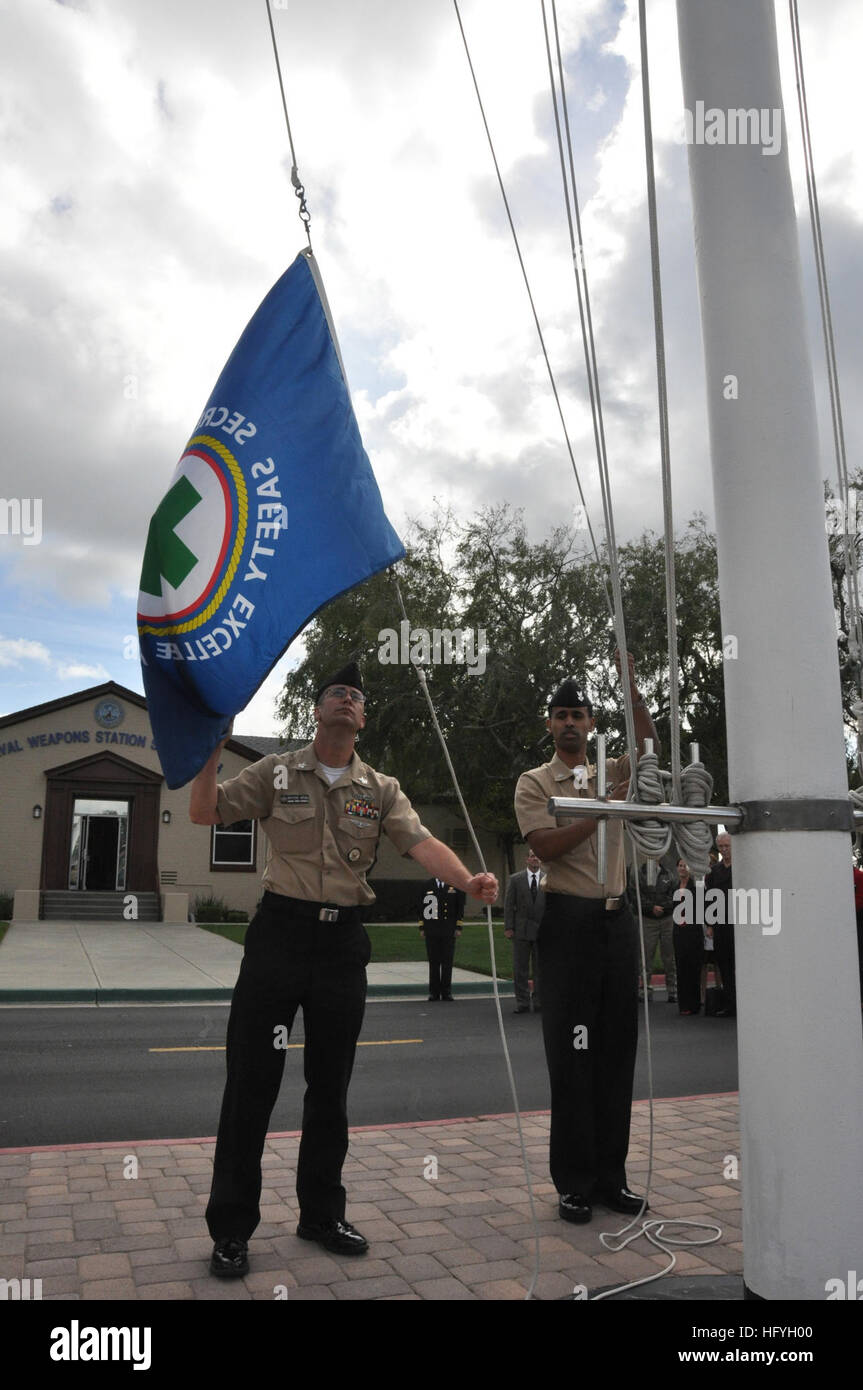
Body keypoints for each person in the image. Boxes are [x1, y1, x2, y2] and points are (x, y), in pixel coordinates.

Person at [189, 661, 498, 1277]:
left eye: (357, 696)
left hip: (341, 946)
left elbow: (421, 842)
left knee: (329, 1089)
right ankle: (231, 1229)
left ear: (362, 716)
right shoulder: (276, 773)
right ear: (318, 708)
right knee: (251, 1084)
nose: (348, 701)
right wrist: (209, 751)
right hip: (279, 935)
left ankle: (321, 1214)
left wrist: (469, 879)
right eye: (337, 693)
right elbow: (205, 812)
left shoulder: (378, 788)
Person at [514, 654, 659, 1225]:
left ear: (593, 724)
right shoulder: (535, 781)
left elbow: (650, 752)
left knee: (616, 1053)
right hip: (568, 922)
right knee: (571, 1056)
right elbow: (545, 846)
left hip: (617, 920)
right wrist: (602, 814)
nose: (570, 723)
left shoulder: (609, 770)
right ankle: (573, 1182)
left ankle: (611, 1179)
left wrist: (633, 690)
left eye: (579, 714)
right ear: (549, 725)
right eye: (561, 715)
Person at [628, 857, 678, 1003]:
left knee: (669, 956)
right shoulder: (639, 874)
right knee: (646, 956)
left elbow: (673, 895)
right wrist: (651, 908)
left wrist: (663, 907)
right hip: (648, 919)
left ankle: (672, 990)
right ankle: (645, 990)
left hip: (667, 919)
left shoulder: (668, 874)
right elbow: (635, 894)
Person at [504, 849, 545, 1014]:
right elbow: (509, 905)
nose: (535, 858)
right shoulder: (516, 879)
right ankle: (522, 1002)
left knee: (540, 969)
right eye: (532, 856)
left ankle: (539, 1001)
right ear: (526, 859)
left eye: (537, 856)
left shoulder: (548, 879)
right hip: (521, 931)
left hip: (541, 931)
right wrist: (508, 927)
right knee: (520, 969)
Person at [419, 877, 466, 1000]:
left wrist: (458, 927)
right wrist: (422, 927)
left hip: (448, 929)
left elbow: (460, 907)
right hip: (431, 929)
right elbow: (421, 907)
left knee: (447, 961)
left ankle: (446, 991)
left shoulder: (455, 884)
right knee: (433, 962)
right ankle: (433, 992)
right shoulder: (427, 885)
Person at [705, 832, 735, 1017]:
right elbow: (709, 900)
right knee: (724, 965)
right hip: (720, 924)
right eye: (721, 847)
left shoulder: (741, 868)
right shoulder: (714, 871)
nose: (724, 850)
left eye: (727, 846)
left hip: (739, 922)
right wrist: (710, 925)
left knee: (739, 964)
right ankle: (730, 1003)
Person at [672, 856, 703, 1015]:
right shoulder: (674, 886)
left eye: (685, 866)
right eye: (680, 866)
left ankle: (694, 1003)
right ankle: (683, 1004)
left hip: (693, 930)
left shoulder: (696, 885)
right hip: (678, 931)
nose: (683, 868)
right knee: (681, 965)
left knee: (693, 966)